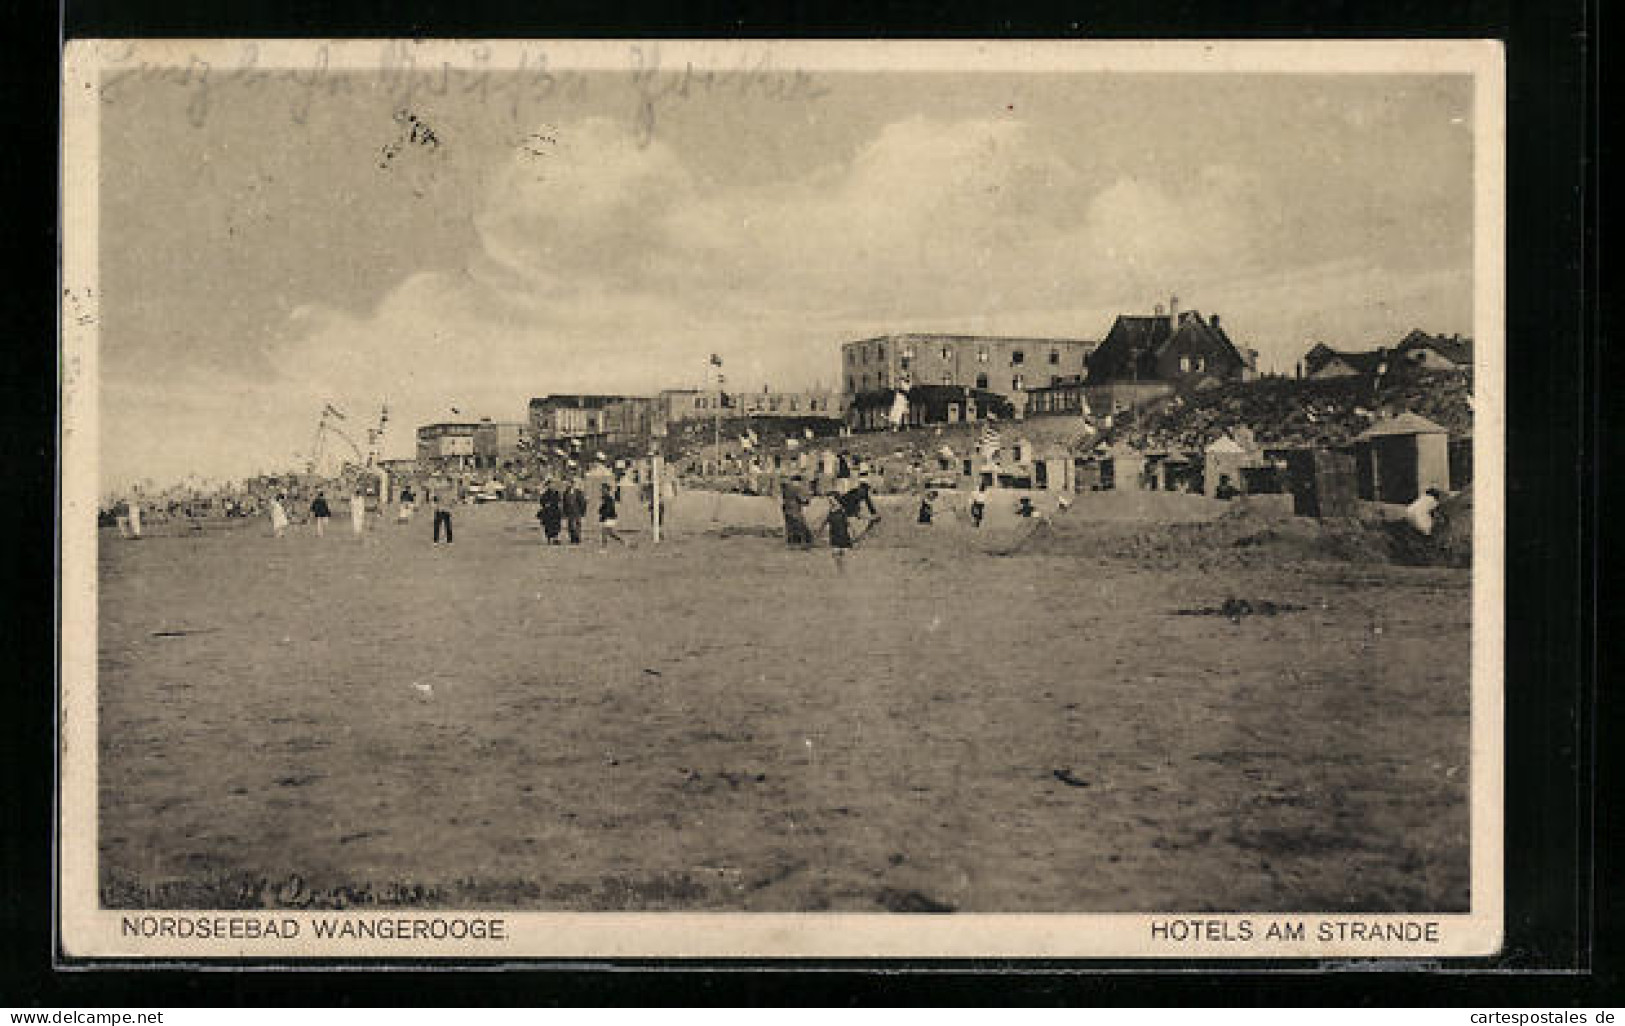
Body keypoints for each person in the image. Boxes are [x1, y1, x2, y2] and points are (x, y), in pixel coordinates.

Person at [819, 492, 854, 574]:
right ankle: (841, 571)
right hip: (834, 535)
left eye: (832, 500)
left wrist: (852, 534)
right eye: (829, 500)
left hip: (843, 535)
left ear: (837, 499)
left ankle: (844, 571)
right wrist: (820, 530)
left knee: (842, 554)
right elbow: (826, 521)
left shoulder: (842, 510)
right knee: (835, 554)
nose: (830, 502)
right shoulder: (830, 510)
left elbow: (849, 523)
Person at [780, 476, 812, 547]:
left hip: (786, 508)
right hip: (795, 509)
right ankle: (802, 543)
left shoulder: (786, 488)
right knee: (800, 525)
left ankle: (790, 542)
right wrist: (807, 501)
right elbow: (801, 499)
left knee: (789, 526)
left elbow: (784, 497)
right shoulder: (797, 488)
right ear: (798, 481)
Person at [597, 482, 628, 548]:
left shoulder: (609, 498)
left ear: (607, 490)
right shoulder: (605, 498)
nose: (602, 491)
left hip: (610, 517)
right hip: (608, 517)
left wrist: (603, 514)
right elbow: (603, 507)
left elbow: (609, 508)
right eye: (601, 489)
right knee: (611, 533)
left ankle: (604, 547)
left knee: (604, 532)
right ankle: (623, 541)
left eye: (603, 489)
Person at [537, 480, 563, 545]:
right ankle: (549, 538)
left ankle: (556, 538)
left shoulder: (557, 493)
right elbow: (542, 501)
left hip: (555, 511)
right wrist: (545, 504)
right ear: (547, 486)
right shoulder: (545, 493)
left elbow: (559, 500)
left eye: (552, 485)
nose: (551, 486)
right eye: (550, 485)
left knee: (556, 525)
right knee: (548, 526)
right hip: (548, 512)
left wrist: (558, 505)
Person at [562, 478, 587, 544]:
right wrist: (564, 512)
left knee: (577, 525)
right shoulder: (566, 492)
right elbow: (564, 503)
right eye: (570, 483)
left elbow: (582, 502)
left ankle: (577, 538)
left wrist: (582, 511)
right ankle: (572, 538)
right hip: (569, 511)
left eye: (572, 483)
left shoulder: (578, 492)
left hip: (577, 511)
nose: (570, 485)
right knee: (571, 526)